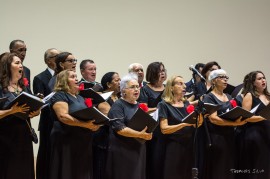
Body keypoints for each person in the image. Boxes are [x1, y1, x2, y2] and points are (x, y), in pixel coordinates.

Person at [49, 69, 101, 179]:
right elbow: (62, 116)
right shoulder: (60, 95)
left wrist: (95, 124)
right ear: (64, 81)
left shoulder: (81, 98)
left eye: (76, 76)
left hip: (83, 141)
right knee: (67, 170)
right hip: (66, 140)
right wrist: (85, 125)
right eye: (72, 77)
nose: (76, 79)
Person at [0, 52, 40, 179]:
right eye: (17, 63)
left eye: (21, 63)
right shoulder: (1, 87)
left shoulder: (24, 88)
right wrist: (11, 111)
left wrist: (35, 111)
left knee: (24, 169)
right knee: (8, 169)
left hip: (24, 135)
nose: (21, 66)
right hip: (5, 136)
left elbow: (28, 109)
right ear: (7, 66)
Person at [105, 73, 152, 179]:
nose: (136, 89)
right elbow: (119, 128)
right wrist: (140, 134)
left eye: (137, 87)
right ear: (123, 91)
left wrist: (149, 132)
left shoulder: (139, 105)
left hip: (138, 148)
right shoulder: (118, 105)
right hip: (122, 150)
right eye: (132, 87)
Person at [201, 69, 246, 179]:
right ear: (214, 81)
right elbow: (213, 119)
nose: (225, 80)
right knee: (218, 168)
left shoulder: (229, 97)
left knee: (229, 167)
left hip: (230, 136)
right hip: (217, 137)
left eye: (226, 78)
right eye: (222, 77)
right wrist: (234, 123)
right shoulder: (209, 97)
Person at [158, 75, 203, 179]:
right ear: (171, 87)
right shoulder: (164, 105)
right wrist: (183, 124)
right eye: (180, 84)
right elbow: (164, 129)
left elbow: (197, 124)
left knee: (187, 174)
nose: (184, 86)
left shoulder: (186, 103)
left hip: (189, 145)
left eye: (184, 84)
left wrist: (200, 114)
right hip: (174, 146)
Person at [235, 71, 270, 179]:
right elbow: (245, 117)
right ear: (253, 83)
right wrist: (263, 117)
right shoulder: (249, 95)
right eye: (259, 79)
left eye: (263, 78)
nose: (263, 80)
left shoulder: (268, 96)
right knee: (257, 165)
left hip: (267, 133)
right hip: (254, 135)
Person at [33, 48, 60, 179]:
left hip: (59, 120)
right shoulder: (39, 78)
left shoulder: (62, 76)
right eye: (55, 56)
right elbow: (40, 101)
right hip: (47, 120)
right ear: (47, 60)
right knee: (46, 152)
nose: (58, 58)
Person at [138, 61, 167, 179]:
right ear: (153, 73)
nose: (163, 73)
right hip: (154, 129)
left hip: (167, 126)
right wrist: (163, 107)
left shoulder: (168, 88)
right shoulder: (145, 89)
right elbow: (144, 109)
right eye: (159, 71)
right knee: (155, 160)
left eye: (163, 70)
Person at [92, 71, 121, 179]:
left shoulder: (119, 97)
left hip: (115, 138)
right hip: (103, 139)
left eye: (120, 80)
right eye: (117, 80)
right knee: (102, 169)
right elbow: (110, 116)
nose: (120, 82)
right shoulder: (102, 97)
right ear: (108, 84)